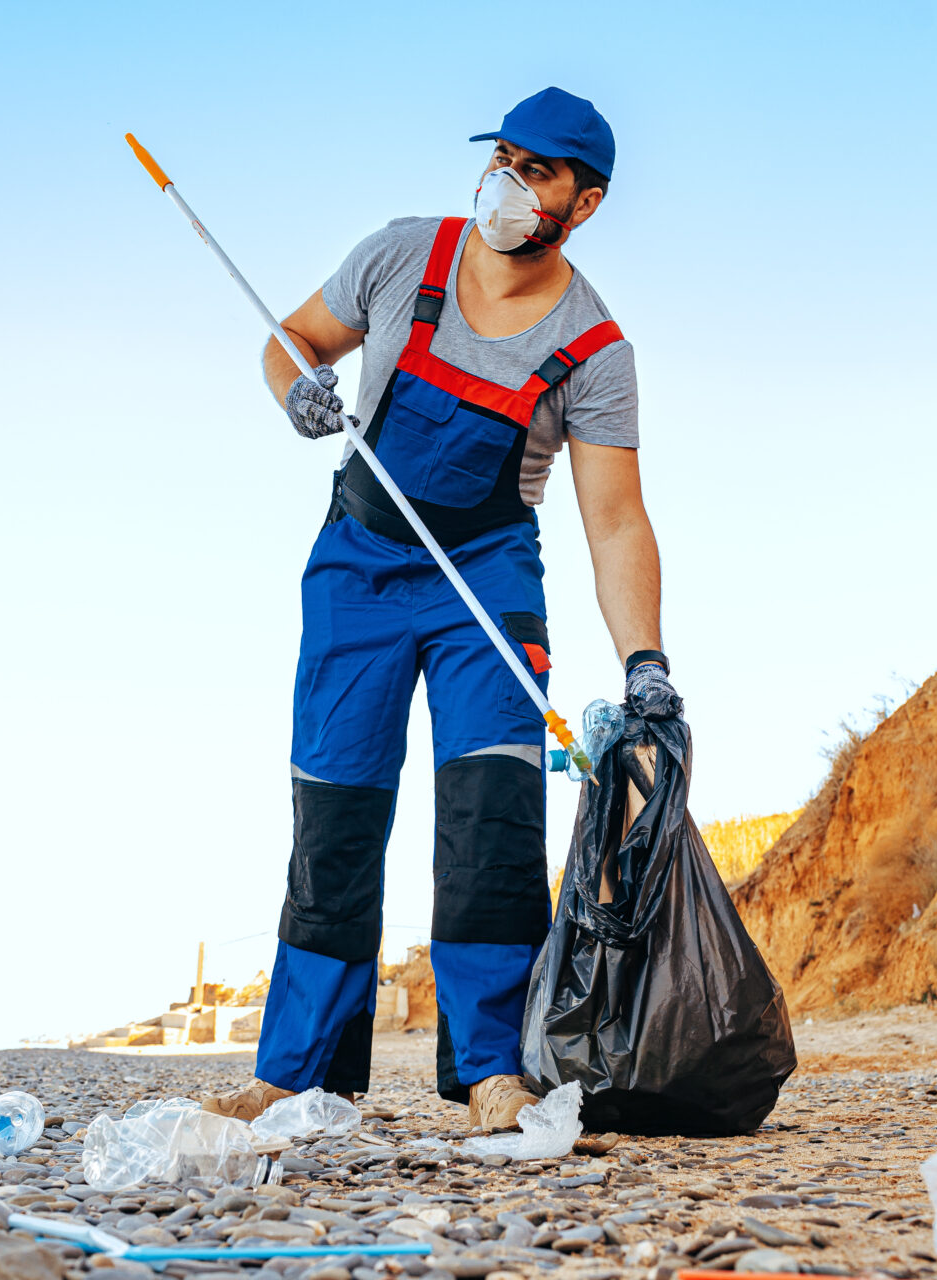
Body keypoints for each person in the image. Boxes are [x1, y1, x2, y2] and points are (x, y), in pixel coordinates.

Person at [203, 87, 677, 1132]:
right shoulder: (403, 255)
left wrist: (646, 659)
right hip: (357, 569)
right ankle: (294, 1075)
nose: (508, 180)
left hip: (488, 581)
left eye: (538, 169)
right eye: (503, 155)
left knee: (491, 817)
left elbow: (614, 522)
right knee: (334, 811)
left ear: (584, 203)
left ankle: (493, 1075)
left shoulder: (595, 351)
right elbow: (290, 339)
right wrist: (295, 392)